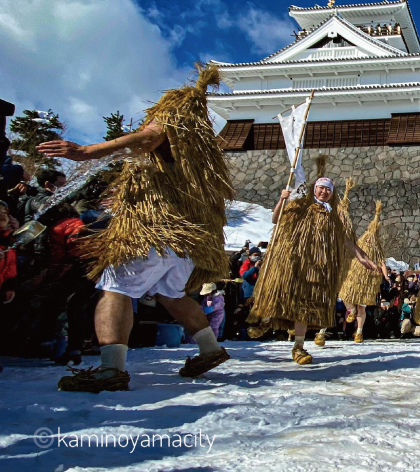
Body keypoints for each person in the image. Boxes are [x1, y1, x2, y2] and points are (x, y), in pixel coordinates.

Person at [39, 65, 233, 392]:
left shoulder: (171, 121)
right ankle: (210, 349)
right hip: (184, 242)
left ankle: (110, 368)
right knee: (171, 294)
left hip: (154, 232)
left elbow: (147, 139)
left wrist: (86, 151)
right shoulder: (204, 149)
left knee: (115, 288)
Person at [248, 160, 379, 365]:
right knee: (282, 291)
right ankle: (264, 320)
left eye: (327, 189)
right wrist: (282, 200)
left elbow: (346, 241)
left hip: (316, 269)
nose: (324, 192)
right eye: (320, 188)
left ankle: (299, 347)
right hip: (294, 262)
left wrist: (363, 258)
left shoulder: (332, 217)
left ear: (332, 193)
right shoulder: (301, 206)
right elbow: (276, 219)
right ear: (314, 189)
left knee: (304, 306)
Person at [339, 200, 390, 344]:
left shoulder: (377, 249)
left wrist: (385, 276)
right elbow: (351, 252)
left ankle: (359, 331)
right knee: (345, 295)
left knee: (361, 305)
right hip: (354, 276)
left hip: (367, 280)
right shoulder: (359, 242)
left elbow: (382, 263)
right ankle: (351, 312)